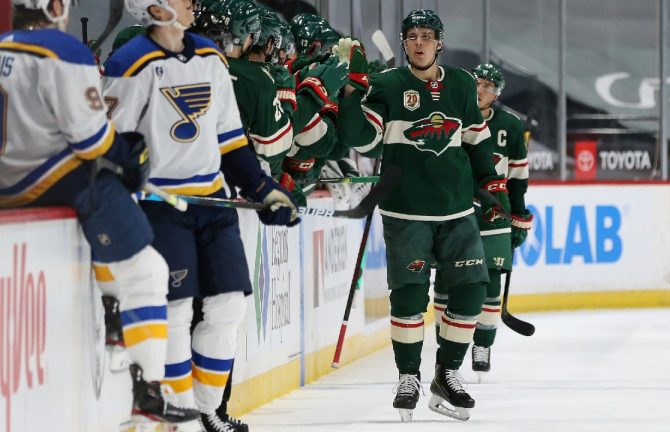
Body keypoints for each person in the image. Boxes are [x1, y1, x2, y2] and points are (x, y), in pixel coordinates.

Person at [0, 0, 199, 425]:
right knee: (148, 271)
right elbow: (90, 140)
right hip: (56, 181)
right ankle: (148, 387)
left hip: (7, 190)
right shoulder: (62, 50)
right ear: (54, 7)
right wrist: (129, 155)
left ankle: (112, 311)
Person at [103, 1, 299, 431]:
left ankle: (207, 408)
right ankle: (178, 416)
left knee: (229, 307)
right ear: (154, 6)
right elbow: (109, 143)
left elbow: (230, 140)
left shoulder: (210, 57)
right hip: (161, 208)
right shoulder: (130, 62)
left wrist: (264, 189)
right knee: (173, 312)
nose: (190, 3)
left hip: (213, 204)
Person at [338, 9, 510, 422]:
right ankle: (407, 376)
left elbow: (475, 136)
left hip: (456, 211)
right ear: (404, 43)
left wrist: (489, 182)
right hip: (406, 212)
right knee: (410, 297)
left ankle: (446, 373)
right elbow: (361, 139)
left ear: (440, 43)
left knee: (471, 292)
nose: (419, 42)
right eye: (412, 36)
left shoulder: (463, 84)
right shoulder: (387, 84)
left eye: (426, 36)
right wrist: (351, 90)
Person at [433, 63, 532, 380]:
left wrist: (518, 215)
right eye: (477, 83)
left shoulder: (511, 127)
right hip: (454, 208)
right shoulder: (451, 116)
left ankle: (483, 344)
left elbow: (517, 177)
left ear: (497, 94)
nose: (480, 91)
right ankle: (445, 351)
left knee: (489, 281)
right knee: (448, 281)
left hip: (494, 212)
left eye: (488, 86)